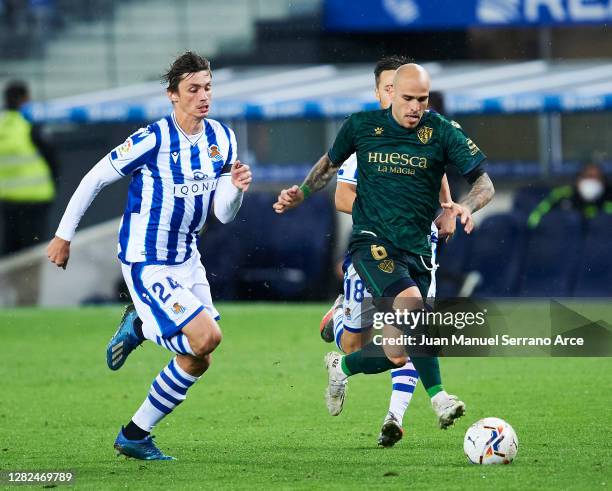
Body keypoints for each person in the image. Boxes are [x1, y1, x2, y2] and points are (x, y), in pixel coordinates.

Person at [46, 52, 252, 460]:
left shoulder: (222, 139)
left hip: (187, 257)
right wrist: (63, 235)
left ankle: (135, 434)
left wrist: (237, 189)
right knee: (206, 336)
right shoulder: (152, 138)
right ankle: (140, 325)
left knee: (199, 359)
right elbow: (94, 178)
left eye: (208, 87)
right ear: (172, 95)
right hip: (147, 258)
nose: (203, 96)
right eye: (193, 89)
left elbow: (222, 215)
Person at [274, 63, 494, 431]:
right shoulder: (362, 126)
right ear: (390, 93)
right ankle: (439, 398)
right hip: (372, 243)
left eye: (421, 100)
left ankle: (340, 367)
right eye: (407, 98)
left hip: (418, 250)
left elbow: (484, 182)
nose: (414, 107)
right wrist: (303, 192)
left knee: (396, 352)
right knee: (412, 306)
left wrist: (462, 207)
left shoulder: (441, 131)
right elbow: (330, 164)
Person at [316, 56, 458, 447]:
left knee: (406, 342)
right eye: (390, 89)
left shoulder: (428, 135)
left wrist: (446, 209)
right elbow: (343, 197)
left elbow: (439, 176)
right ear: (381, 93)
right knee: (355, 343)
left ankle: (395, 417)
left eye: (414, 95)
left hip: (418, 248)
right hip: (375, 247)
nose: (401, 99)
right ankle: (341, 323)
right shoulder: (366, 138)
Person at [0, 80, 57, 255]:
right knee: (32, 254)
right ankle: (28, 283)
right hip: (35, 201)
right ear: (25, 99)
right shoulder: (30, 127)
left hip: (7, 201)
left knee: (9, 253)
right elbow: (53, 161)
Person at [528, 162, 612, 228]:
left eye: (596, 177)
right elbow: (534, 218)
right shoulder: (563, 195)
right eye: (588, 176)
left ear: (603, 181)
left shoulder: (609, 197)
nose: (591, 181)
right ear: (578, 180)